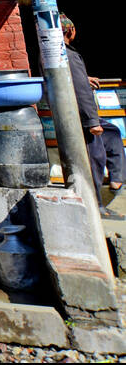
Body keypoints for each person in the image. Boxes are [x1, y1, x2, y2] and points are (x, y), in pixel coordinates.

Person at [63, 14, 124, 220]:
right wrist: (92, 121)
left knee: (112, 133)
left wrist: (84, 77)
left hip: (78, 115)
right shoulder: (67, 56)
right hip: (80, 117)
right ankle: (95, 205)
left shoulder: (62, 54)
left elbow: (73, 79)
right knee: (95, 159)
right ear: (70, 31)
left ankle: (117, 179)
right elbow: (81, 92)